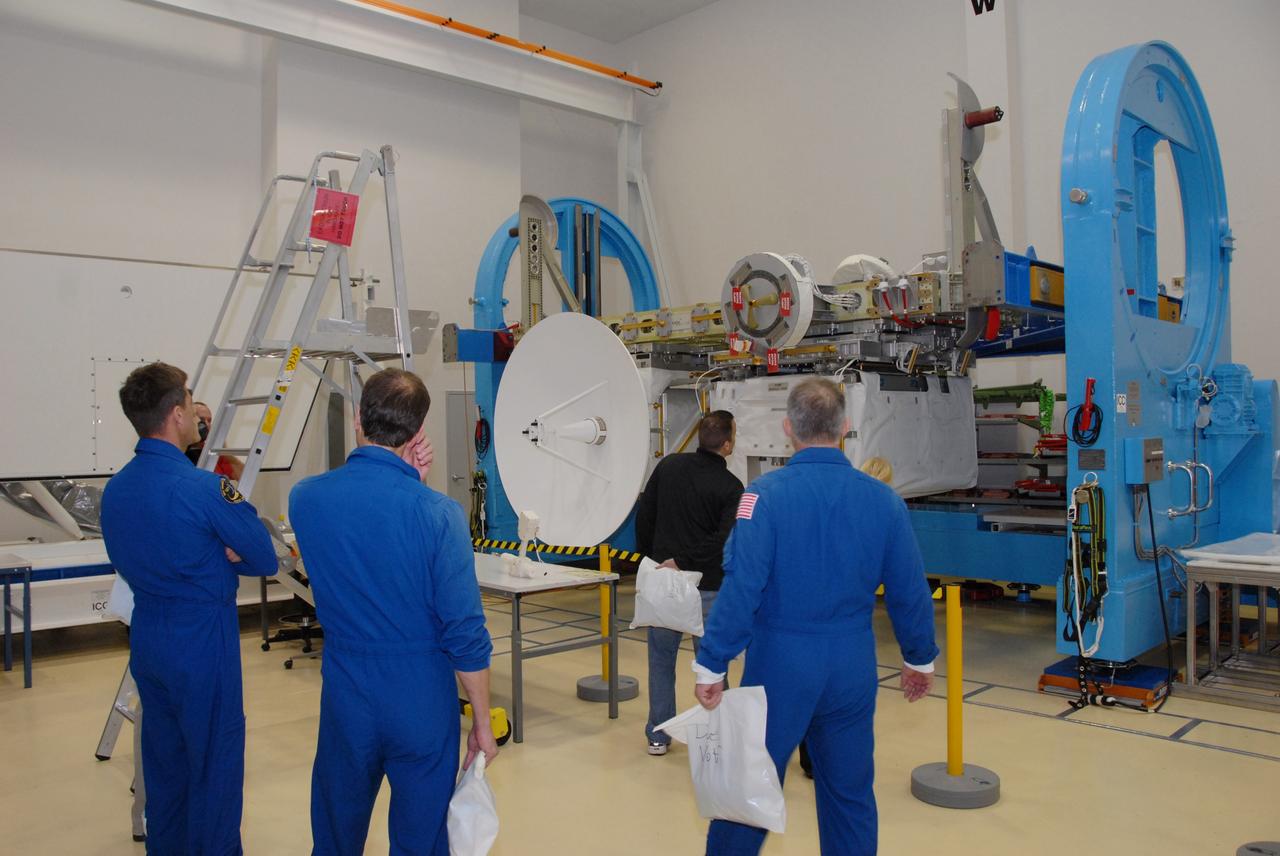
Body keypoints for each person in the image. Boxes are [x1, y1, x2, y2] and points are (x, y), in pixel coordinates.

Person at [692, 378, 938, 855]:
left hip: (780, 664)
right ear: (845, 428)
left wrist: (712, 663)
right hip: (852, 664)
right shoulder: (884, 501)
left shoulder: (764, 497)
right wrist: (918, 658)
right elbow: (910, 589)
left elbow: (743, 587)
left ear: (788, 428)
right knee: (849, 794)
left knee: (750, 788)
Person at [289, 368, 496, 855]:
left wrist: (407, 480)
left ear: (358, 419)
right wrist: (483, 721)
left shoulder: (306, 499)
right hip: (419, 695)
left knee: (336, 832)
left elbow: (366, 533)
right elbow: (464, 632)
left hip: (347, 692)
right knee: (421, 837)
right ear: (417, 432)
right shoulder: (439, 514)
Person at [100, 361, 279, 855]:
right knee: (214, 762)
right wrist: (224, 553)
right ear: (176, 414)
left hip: (148, 636)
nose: (198, 412)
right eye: (189, 400)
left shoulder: (117, 490)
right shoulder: (204, 490)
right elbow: (264, 557)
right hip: (201, 639)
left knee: (164, 764)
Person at [635, 410, 743, 757]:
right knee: (711, 665)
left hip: (664, 583)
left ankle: (658, 735)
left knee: (660, 661)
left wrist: (654, 560)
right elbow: (723, 540)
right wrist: (684, 561)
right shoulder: (731, 487)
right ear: (727, 444)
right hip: (706, 587)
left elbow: (645, 515)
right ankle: (718, 734)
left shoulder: (668, 467)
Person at [186, 400, 245, 481]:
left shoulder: (213, 452)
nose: (207, 424)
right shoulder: (181, 447)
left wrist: (225, 451)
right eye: (201, 419)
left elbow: (245, 478)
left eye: (209, 421)